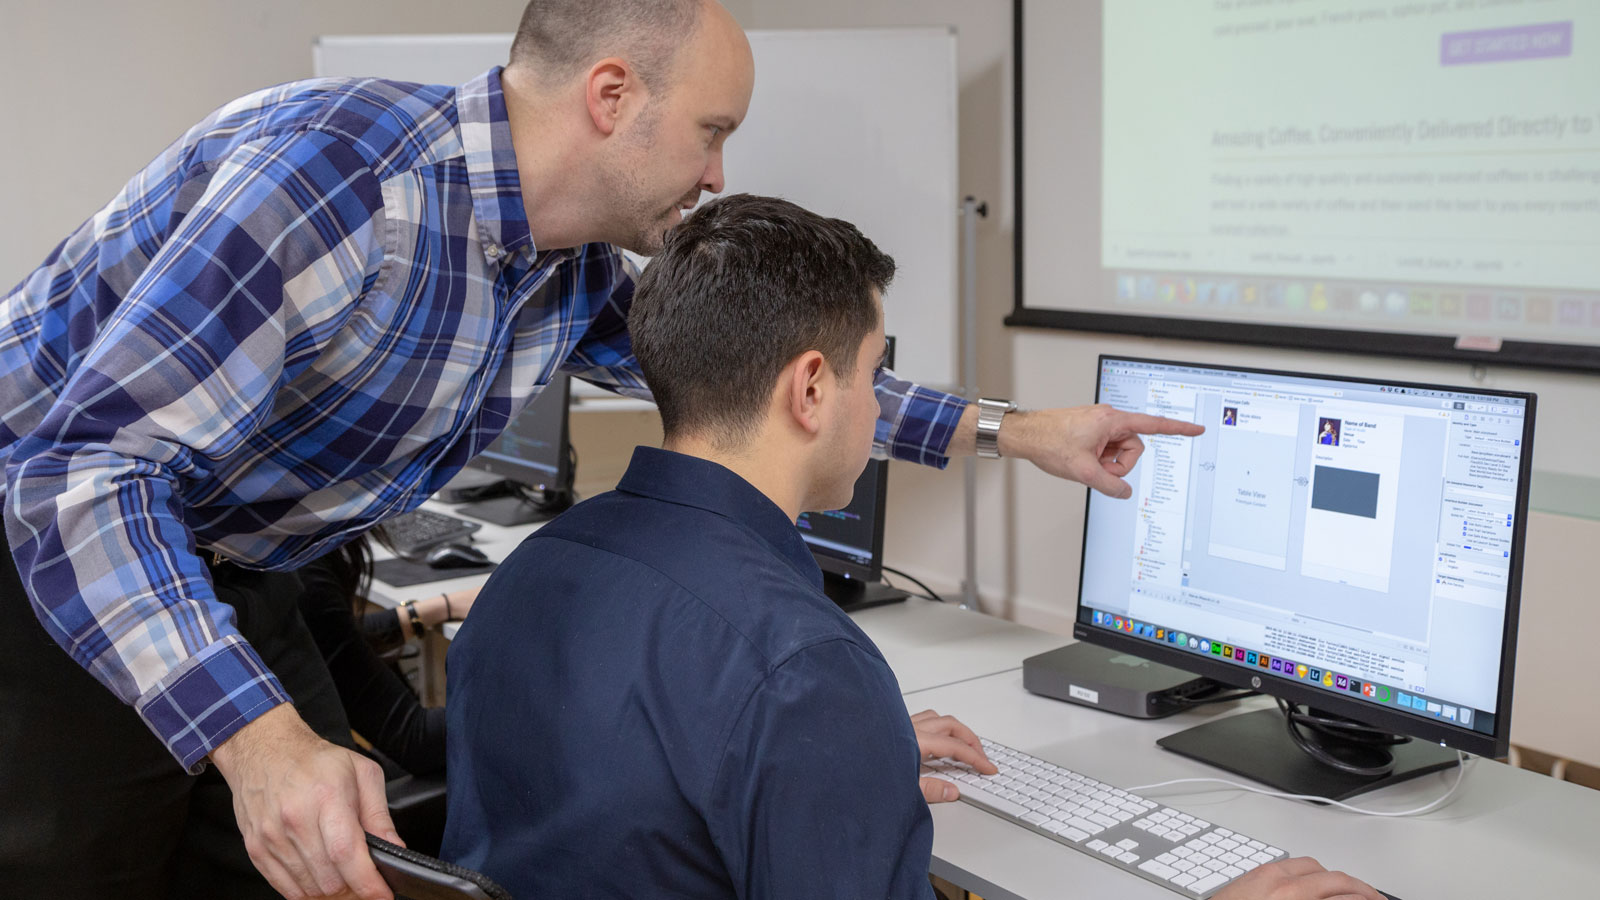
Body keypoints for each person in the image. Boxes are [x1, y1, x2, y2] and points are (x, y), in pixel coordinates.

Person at [0, 1, 1198, 897]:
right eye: (711, 131)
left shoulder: (557, 270)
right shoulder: (342, 181)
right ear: (613, 97)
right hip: (45, 549)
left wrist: (1019, 431)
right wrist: (257, 745)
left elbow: (758, 363)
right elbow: (76, 475)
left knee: (316, 866)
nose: (719, 173)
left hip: (225, 558)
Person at [442, 194, 1382, 900]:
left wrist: (836, 763)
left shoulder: (538, 568)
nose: (877, 403)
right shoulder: (801, 668)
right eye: (873, 371)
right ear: (812, 389)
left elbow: (643, 796)